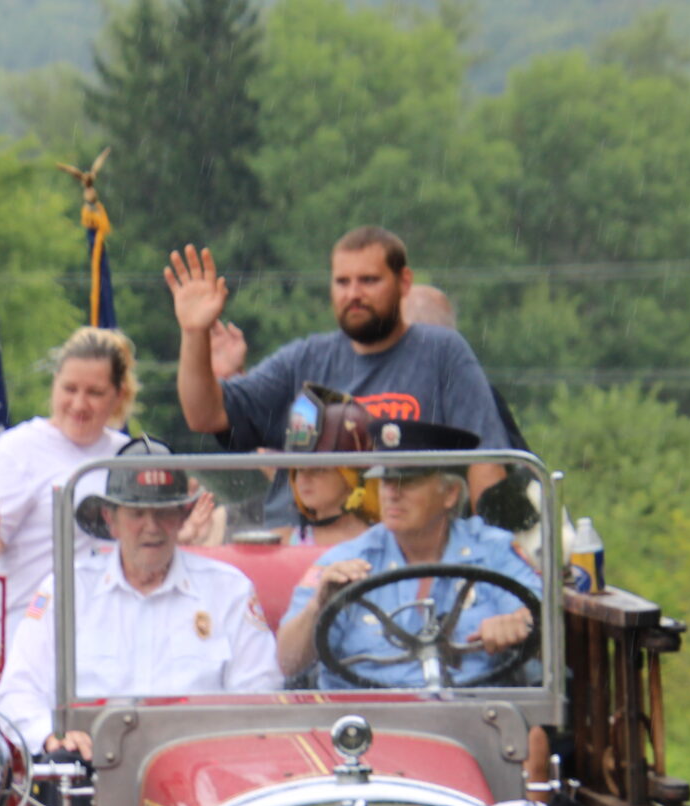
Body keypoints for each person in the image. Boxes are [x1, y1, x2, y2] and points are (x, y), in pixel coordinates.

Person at [164, 228, 513, 512]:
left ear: (403, 283)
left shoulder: (442, 353)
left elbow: (486, 462)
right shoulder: (304, 359)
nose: (354, 294)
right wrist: (194, 332)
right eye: (342, 282)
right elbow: (205, 415)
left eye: (369, 280)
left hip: (401, 555)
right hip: (300, 554)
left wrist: (494, 555)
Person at [0, 442, 281, 755]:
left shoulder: (230, 591)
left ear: (182, 517)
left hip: (202, 774)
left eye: (163, 512)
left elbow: (259, 695)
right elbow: (17, 691)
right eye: (137, 513)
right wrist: (53, 735)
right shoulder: (65, 589)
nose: (151, 527)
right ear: (110, 519)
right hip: (88, 774)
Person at [277, 420, 543, 689]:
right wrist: (317, 606)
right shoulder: (344, 562)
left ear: (450, 494)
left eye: (408, 481)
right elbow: (288, 663)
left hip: (471, 718)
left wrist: (517, 624)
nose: (392, 493)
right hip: (366, 719)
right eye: (385, 481)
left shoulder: (492, 551)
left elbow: (542, 623)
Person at [0, 325, 137, 623]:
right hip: (35, 628)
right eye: (70, 389)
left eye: (95, 393)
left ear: (118, 395)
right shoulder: (15, 452)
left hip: (119, 627)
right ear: (54, 383)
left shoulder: (130, 457)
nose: (79, 405)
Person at [283, 387, 380, 548]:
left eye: (318, 469)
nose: (304, 478)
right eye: (299, 470)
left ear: (352, 476)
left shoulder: (382, 542)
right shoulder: (283, 541)